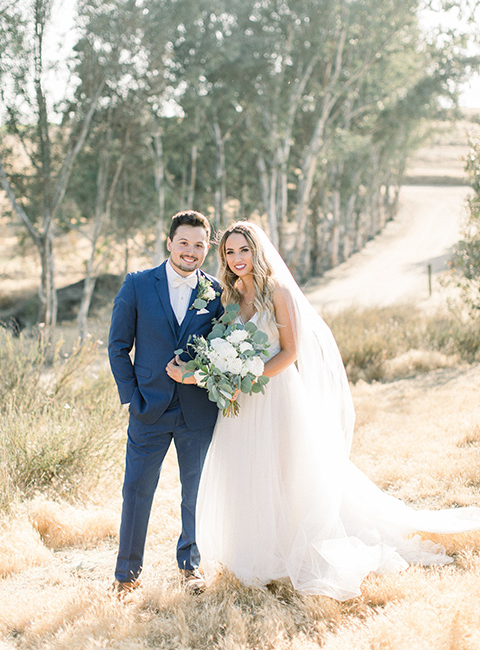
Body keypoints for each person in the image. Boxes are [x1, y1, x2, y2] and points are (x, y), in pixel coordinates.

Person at [172, 221, 480, 601]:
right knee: (247, 470)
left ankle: (291, 547)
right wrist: (217, 375)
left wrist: (248, 375)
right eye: (230, 252)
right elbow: (222, 345)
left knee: (286, 470)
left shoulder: (277, 292)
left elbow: (290, 352)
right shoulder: (229, 297)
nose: (237, 259)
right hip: (241, 401)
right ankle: (254, 552)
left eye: (244, 250)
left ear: (258, 252)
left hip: (275, 392)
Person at [108, 210, 223, 596]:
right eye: (184, 242)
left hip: (198, 411)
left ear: (206, 248)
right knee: (137, 490)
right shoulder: (138, 285)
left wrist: (197, 375)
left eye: (199, 245)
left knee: (197, 492)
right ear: (170, 242)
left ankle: (190, 567)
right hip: (149, 409)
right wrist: (133, 397)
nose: (191, 251)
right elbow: (118, 346)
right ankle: (126, 575)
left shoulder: (217, 292)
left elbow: (222, 350)